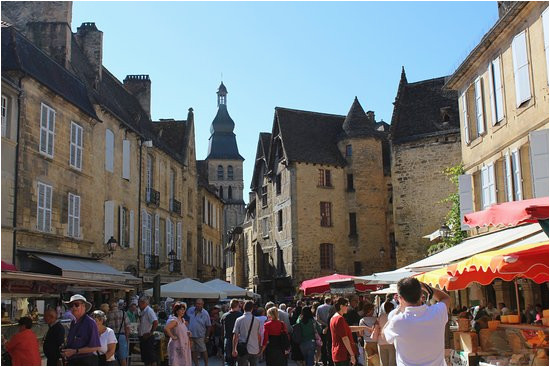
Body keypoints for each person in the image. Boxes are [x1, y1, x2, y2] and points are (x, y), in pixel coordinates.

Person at [383, 277, 450, 366]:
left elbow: (384, 335)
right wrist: (425, 286)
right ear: (421, 294)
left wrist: (398, 311)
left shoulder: (398, 321)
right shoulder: (437, 313)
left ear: (400, 298)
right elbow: (445, 298)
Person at [61, 294, 101, 365]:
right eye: (71, 305)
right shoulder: (73, 322)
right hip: (73, 361)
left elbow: (96, 347)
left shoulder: (90, 323)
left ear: (83, 306)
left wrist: (74, 351)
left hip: (85, 361)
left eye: (76, 305)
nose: (73, 307)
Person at [330, 297, 368, 366]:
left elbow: (348, 329)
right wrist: (352, 355)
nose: (347, 307)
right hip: (343, 353)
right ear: (341, 306)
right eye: (346, 305)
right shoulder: (340, 319)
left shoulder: (333, 318)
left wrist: (364, 327)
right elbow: (345, 338)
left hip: (337, 353)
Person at [232, 300, 261, 366]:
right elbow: (258, 335)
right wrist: (259, 346)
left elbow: (235, 335)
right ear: (252, 309)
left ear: (243, 308)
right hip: (254, 348)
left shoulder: (239, 320)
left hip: (243, 349)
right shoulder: (257, 320)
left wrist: (234, 349)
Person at [186, 298, 212, 365]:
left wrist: (207, 337)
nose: (198, 305)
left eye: (200, 304)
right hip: (191, 336)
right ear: (195, 304)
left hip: (200, 335)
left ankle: (206, 365)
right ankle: (196, 365)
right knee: (193, 351)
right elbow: (186, 319)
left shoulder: (205, 313)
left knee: (203, 350)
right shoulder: (190, 310)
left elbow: (209, 326)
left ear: (203, 304)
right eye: (197, 303)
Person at [107, 301, 130, 365]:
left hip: (111, 337)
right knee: (122, 358)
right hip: (122, 336)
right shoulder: (123, 313)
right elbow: (127, 326)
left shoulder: (108, 314)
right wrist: (127, 337)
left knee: (111, 357)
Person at [138, 296, 159, 366]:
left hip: (148, 337)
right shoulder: (144, 311)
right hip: (143, 337)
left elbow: (155, 322)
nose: (139, 304)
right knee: (146, 357)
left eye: (140, 303)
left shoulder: (149, 311)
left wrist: (150, 333)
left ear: (144, 303)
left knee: (151, 357)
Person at [221, 299, 243, 366]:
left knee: (228, 361)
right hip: (239, 339)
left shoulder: (224, 316)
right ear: (237, 306)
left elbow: (222, 329)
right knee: (239, 361)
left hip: (228, 339)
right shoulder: (241, 315)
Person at [376, 302, 396, 366]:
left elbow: (376, 327)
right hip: (391, 342)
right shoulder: (394, 317)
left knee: (383, 363)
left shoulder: (380, 317)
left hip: (381, 341)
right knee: (392, 363)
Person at [316, 297, 334, 367]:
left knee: (323, 345)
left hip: (322, 327)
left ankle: (324, 362)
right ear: (330, 301)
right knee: (330, 344)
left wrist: (324, 324)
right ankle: (331, 361)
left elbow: (317, 318)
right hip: (331, 327)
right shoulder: (332, 308)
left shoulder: (319, 308)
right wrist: (328, 324)